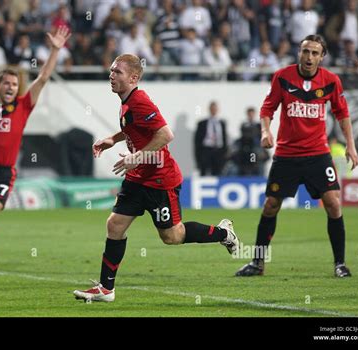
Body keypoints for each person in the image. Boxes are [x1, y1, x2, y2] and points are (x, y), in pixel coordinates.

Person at [73, 54, 240, 302]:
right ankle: (106, 289)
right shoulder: (126, 101)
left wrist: (137, 156)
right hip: (138, 177)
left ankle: (223, 233)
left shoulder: (139, 100)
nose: (111, 75)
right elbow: (134, 128)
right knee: (114, 225)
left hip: (160, 180)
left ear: (133, 77)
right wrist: (112, 139)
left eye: (117, 72)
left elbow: (165, 134)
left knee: (172, 237)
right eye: (111, 70)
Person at [235, 34, 358, 278]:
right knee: (271, 206)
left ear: (322, 57)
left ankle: (340, 264)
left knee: (333, 203)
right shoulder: (282, 77)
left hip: (318, 154)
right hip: (287, 154)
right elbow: (267, 108)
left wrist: (351, 145)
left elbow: (342, 113)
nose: (309, 56)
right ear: (299, 53)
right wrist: (265, 130)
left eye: (314, 53)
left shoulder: (331, 81)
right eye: (305, 51)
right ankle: (257, 263)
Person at [0, 15, 71, 271]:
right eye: (6, 83)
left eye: (15, 84)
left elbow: (42, 78)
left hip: (3, 173)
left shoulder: (24, 105)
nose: (10, 87)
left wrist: (54, 51)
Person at [194, 101, 228, 176]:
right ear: (209, 109)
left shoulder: (222, 123)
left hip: (218, 151)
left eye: (215, 109)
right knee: (204, 171)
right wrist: (198, 156)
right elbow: (197, 141)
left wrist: (225, 153)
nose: (214, 110)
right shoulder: (202, 123)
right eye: (212, 109)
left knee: (218, 172)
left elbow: (224, 139)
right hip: (206, 150)